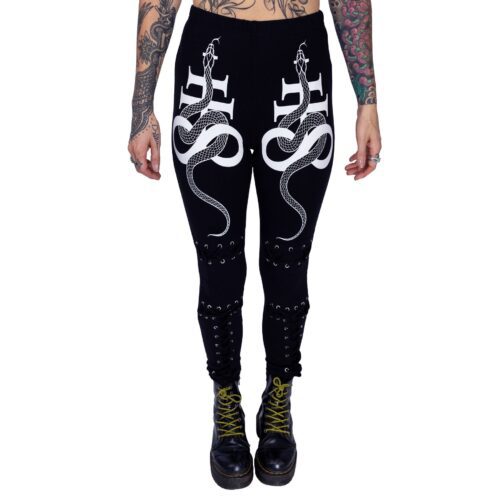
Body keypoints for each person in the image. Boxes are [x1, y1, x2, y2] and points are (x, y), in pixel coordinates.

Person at [127, 0, 382, 489]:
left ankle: (278, 396)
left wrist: (367, 100)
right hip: (211, 54)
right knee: (218, 259)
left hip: (298, 55)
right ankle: (226, 399)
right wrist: (142, 109)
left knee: (289, 257)